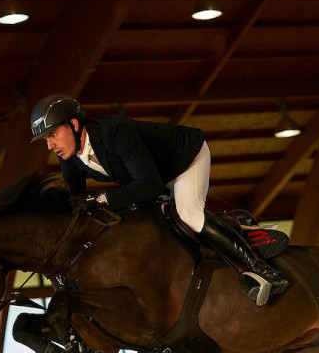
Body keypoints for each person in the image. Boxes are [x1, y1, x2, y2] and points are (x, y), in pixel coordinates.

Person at [29, 93, 288, 307]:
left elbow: (149, 186)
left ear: (74, 125)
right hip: (154, 175)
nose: (50, 145)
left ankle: (263, 271)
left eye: (52, 135)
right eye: (45, 140)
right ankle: (237, 228)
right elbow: (75, 201)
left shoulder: (115, 133)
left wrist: (100, 198)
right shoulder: (69, 158)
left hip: (185, 159)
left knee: (188, 213)